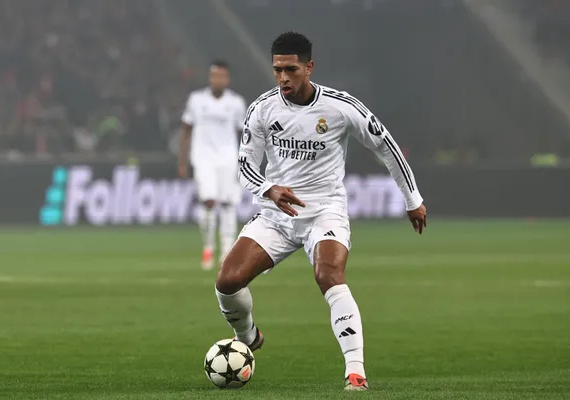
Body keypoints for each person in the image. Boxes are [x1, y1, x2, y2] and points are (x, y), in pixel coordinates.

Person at [213, 32, 427, 391]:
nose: (283, 78)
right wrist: (270, 189)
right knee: (227, 281)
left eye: (291, 70)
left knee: (328, 274)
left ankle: (355, 372)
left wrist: (412, 199)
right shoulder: (262, 108)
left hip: (325, 211)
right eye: (277, 70)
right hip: (277, 215)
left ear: (309, 67)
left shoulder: (340, 107)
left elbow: (385, 145)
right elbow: (245, 166)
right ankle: (247, 336)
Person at [179, 61, 247, 270]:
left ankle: (227, 252)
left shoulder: (236, 103)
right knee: (208, 201)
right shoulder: (196, 100)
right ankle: (208, 246)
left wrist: (247, 160)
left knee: (227, 204)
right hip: (203, 158)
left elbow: (243, 134)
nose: (218, 80)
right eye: (215, 76)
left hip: (228, 158)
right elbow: (186, 130)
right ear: (210, 78)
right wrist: (182, 161)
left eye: (222, 76)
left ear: (228, 79)